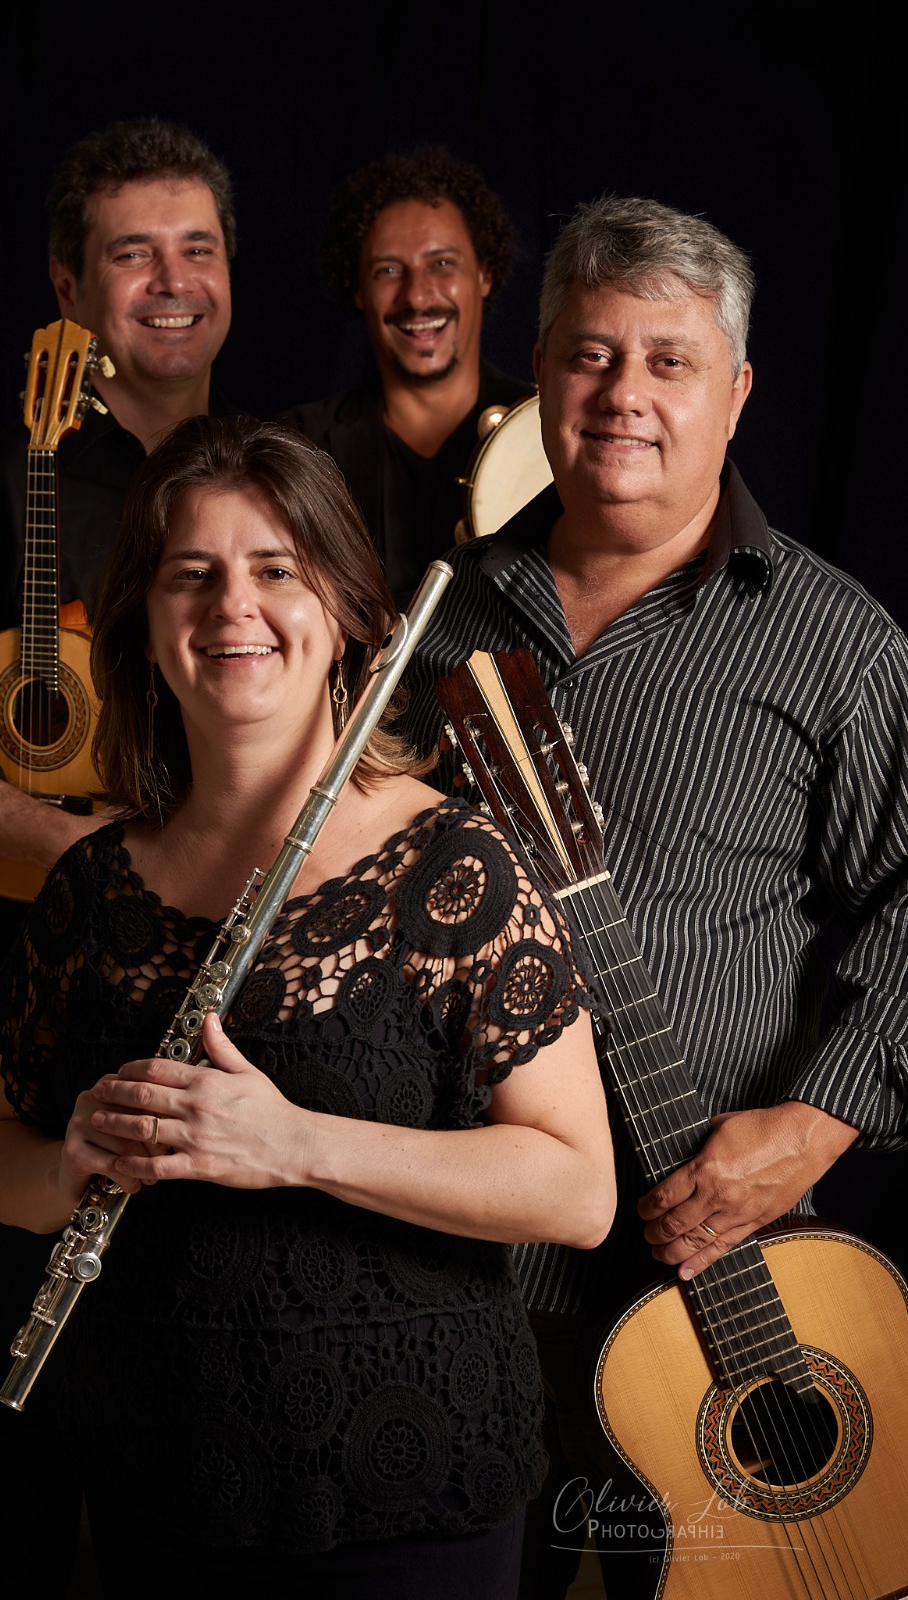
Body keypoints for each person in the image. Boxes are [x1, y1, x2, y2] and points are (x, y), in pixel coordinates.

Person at [0, 413, 616, 1600]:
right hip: (152, 1478)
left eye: (275, 570)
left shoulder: (452, 863)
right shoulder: (92, 884)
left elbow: (575, 1192)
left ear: (347, 619)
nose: (232, 609)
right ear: (146, 625)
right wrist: (68, 1160)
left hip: (406, 1491)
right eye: (192, 574)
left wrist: (293, 1145)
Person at [396, 195, 908, 1598]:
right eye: (587, 354)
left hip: (703, 1284)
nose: (620, 396)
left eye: (666, 360)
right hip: (448, 1271)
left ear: (734, 393)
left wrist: (815, 1122)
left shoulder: (833, 642)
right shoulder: (423, 621)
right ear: (542, 375)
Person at [0, 117, 238, 1597]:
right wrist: (85, 861)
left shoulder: (272, 478)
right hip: (19, 977)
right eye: (132, 253)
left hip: (222, 976)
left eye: (197, 248)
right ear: (70, 288)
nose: (171, 282)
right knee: (15, 1343)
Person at [278, 147, 535, 608]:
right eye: (389, 270)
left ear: (484, 274)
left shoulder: (545, 433)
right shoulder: (296, 445)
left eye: (442, 263)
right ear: (359, 290)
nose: (417, 297)